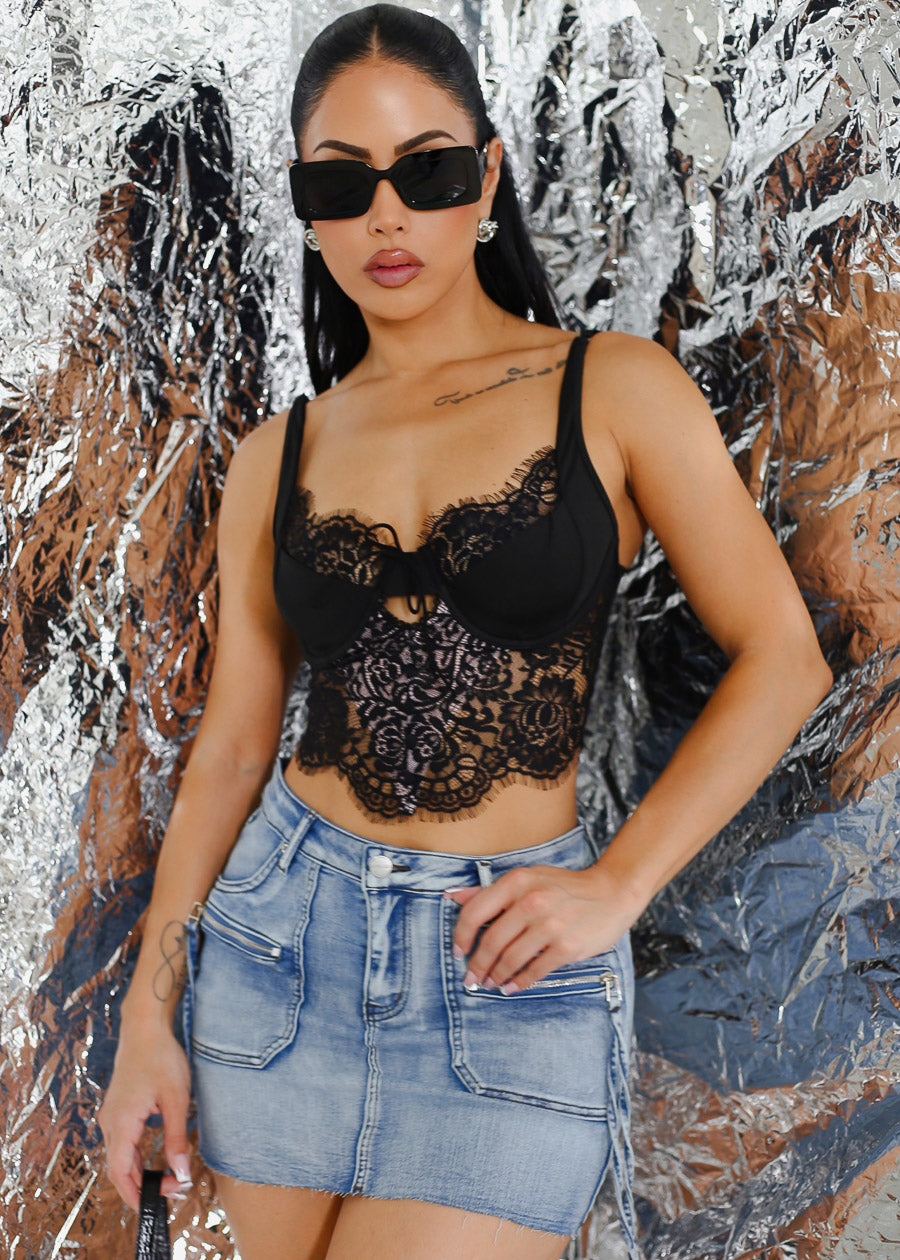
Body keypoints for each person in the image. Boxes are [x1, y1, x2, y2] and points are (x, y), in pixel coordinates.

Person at [97, 5, 833, 1258]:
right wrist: (144, 1022)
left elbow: (785, 656)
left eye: (425, 172)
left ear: (486, 176)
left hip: (508, 974)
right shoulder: (277, 454)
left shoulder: (614, 388)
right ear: (307, 205)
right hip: (279, 957)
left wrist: (616, 885)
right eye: (342, 184)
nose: (386, 217)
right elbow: (230, 750)